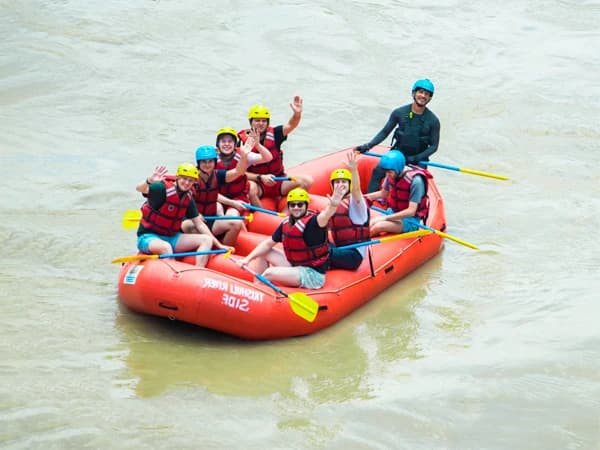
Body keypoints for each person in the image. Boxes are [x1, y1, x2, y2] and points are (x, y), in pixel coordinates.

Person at [236, 186, 346, 289]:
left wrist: (333, 205)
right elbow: (268, 243)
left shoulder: (314, 222)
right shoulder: (287, 223)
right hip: (295, 265)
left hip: (312, 275)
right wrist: (247, 260)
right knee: (263, 252)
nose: (296, 208)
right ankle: (257, 287)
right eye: (292, 205)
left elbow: (326, 215)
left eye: (300, 204)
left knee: (270, 272)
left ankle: (258, 292)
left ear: (306, 205)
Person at [135, 163, 230, 267]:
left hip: (172, 237)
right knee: (166, 247)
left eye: (190, 180)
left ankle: (198, 271)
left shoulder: (188, 197)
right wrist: (149, 181)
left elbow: (200, 224)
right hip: (148, 237)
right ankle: (173, 277)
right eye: (184, 179)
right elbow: (140, 189)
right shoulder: (161, 188)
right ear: (177, 177)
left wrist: (218, 244)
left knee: (206, 240)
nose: (186, 183)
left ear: (194, 182)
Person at [355, 79, 440, 192]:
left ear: (430, 98)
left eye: (427, 94)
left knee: (417, 181)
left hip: (418, 158)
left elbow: (434, 146)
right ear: (414, 93)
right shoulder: (399, 113)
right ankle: (370, 202)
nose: (423, 96)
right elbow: (385, 132)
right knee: (378, 171)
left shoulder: (433, 121)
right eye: (420, 92)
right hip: (397, 154)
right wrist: (368, 146)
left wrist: (415, 158)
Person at [238, 96, 313, 207]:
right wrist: (260, 177)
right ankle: (263, 217)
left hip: (278, 180)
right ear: (251, 122)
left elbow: (291, 125)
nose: (260, 123)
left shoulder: (276, 133)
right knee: (251, 188)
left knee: (307, 181)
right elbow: (239, 171)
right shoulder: (241, 141)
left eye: (264, 121)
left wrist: (297, 114)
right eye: (257, 120)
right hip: (258, 183)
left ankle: (288, 210)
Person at [181, 143, 251, 246]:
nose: (207, 164)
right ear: (199, 163)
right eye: (204, 162)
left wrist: (244, 156)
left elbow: (238, 171)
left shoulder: (217, 175)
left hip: (210, 220)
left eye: (210, 161)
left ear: (215, 162)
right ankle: (207, 244)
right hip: (192, 221)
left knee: (236, 223)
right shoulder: (191, 179)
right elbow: (181, 198)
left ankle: (225, 253)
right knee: (189, 225)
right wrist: (195, 215)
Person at [364, 150, 432, 237]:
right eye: (386, 172)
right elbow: (383, 193)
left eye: (389, 172)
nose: (387, 175)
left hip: (410, 220)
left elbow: (411, 211)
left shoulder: (416, 181)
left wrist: (386, 218)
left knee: (378, 226)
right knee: (371, 222)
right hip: (393, 212)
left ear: (398, 168)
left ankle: (357, 246)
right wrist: (362, 197)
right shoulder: (391, 174)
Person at [328, 151, 371, 270]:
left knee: (320, 253)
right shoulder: (333, 203)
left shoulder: (356, 203)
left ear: (349, 184)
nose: (340, 185)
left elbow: (356, 189)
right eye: (337, 182)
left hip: (353, 255)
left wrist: (353, 170)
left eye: (344, 182)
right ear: (332, 186)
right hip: (340, 249)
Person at [215, 126, 272, 214]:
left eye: (230, 141)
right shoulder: (211, 159)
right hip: (219, 198)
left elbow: (268, 158)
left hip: (238, 197)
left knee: (232, 215)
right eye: (223, 141)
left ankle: (261, 215)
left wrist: (257, 145)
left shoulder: (243, 154)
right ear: (218, 144)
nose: (226, 144)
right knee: (217, 208)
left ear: (235, 144)